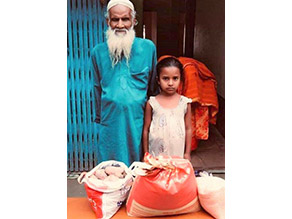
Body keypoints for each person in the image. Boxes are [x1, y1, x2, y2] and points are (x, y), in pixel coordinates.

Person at [91, 0, 158, 166]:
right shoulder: (98, 52)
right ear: (108, 21)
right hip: (110, 121)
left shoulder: (148, 48)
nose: (120, 25)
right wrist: (100, 118)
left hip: (138, 120)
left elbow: (153, 87)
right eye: (115, 20)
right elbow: (97, 88)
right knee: (111, 172)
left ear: (134, 21)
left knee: (139, 170)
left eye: (125, 19)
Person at [142, 57, 192, 161]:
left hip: (177, 153)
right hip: (156, 155)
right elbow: (146, 129)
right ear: (158, 80)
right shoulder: (152, 103)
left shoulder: (184, 103)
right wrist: (146, 153)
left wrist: (187, 153)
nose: (170, 83)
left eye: (175, 78)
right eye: (165, 78)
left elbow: (188, 129)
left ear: (180, 79)